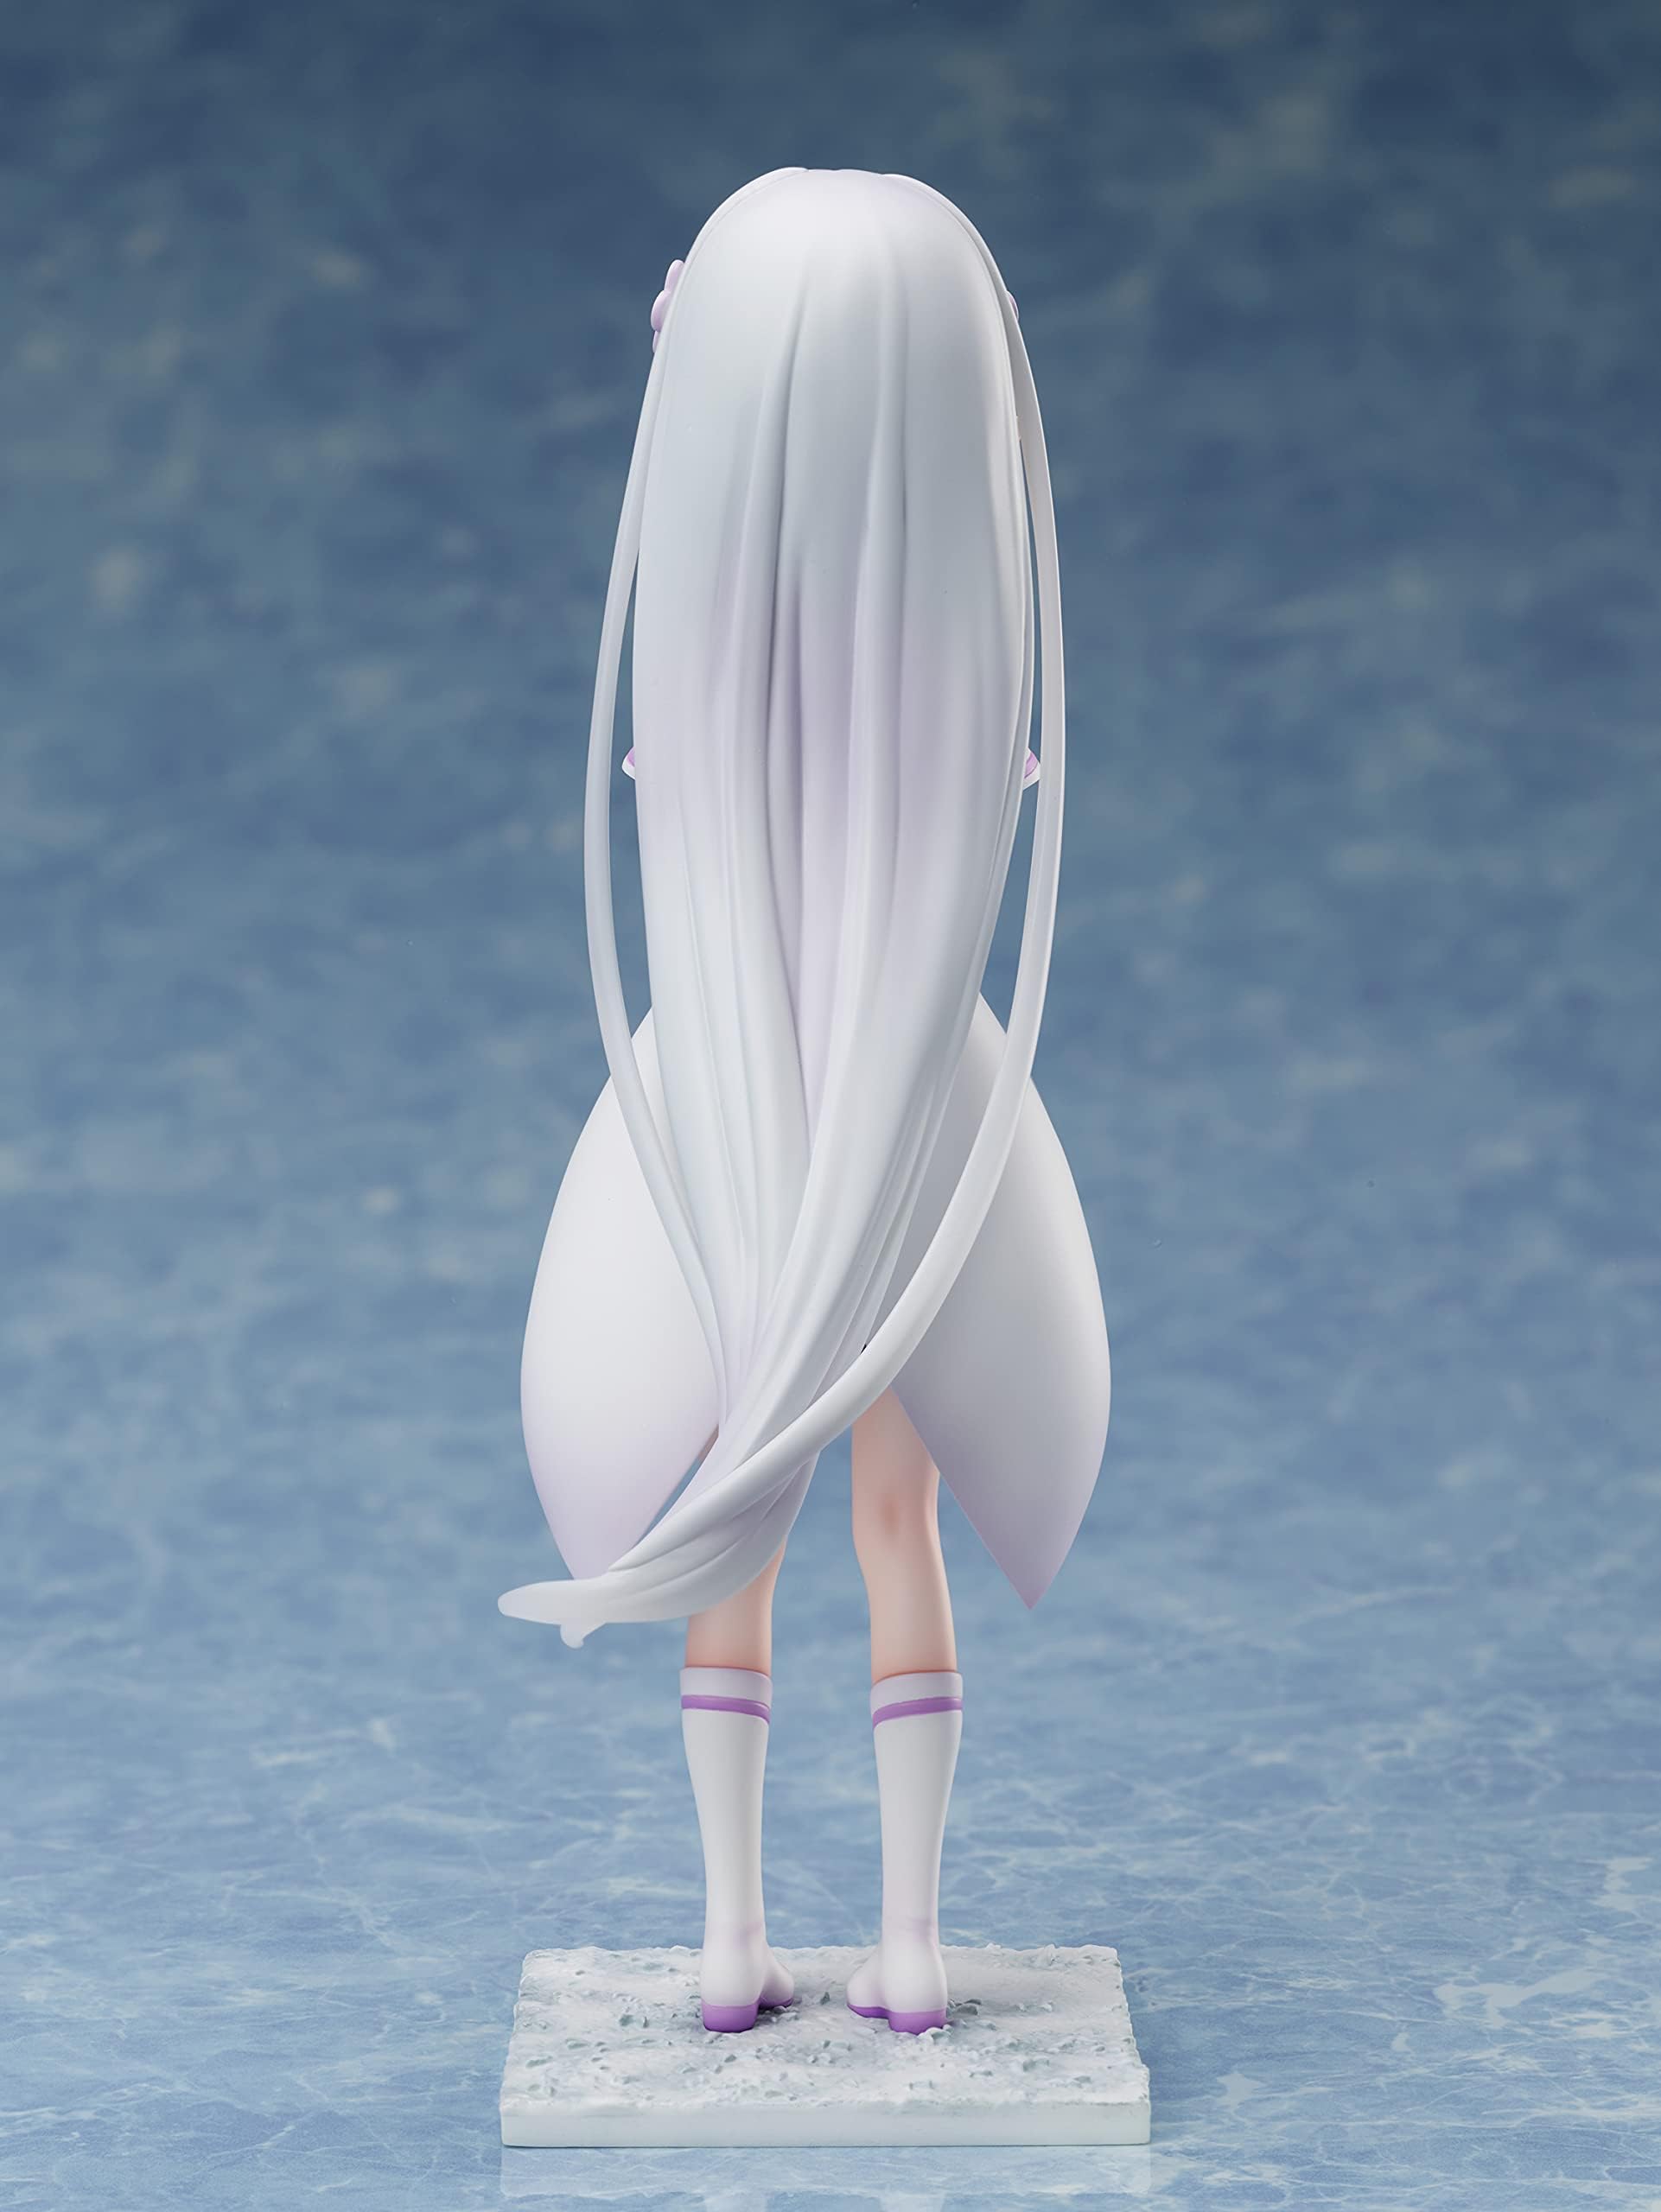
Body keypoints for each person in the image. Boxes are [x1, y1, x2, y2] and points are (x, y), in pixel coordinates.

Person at [502, 168, 1110, 2035]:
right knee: (880, 1515)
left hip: (732, 1099)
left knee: (743, 1494)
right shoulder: (960, 639)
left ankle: (731, 1938)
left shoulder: (696, 641)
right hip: (911, 1098)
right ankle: (904, 1945)